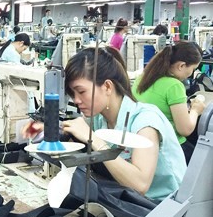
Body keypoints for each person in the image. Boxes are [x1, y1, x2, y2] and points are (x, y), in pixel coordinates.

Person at [22, 47, 186, 201]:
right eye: (72, 93)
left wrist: (93, 139)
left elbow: (140, 185)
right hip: (125, 199)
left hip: (162, 208)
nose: (76, 100)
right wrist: (47, 129)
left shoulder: (145, 122)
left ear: (107, 86)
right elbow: (74, 132)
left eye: (81, 91)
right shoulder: (100, 117)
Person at [132, 41, 205, 163]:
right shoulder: (174, 86)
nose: (191, 74)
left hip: (143, 141)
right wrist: (195, 110)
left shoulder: (143, 78)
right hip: (168, 146)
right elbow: (185, 130)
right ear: (181, 66)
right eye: (193, 69)